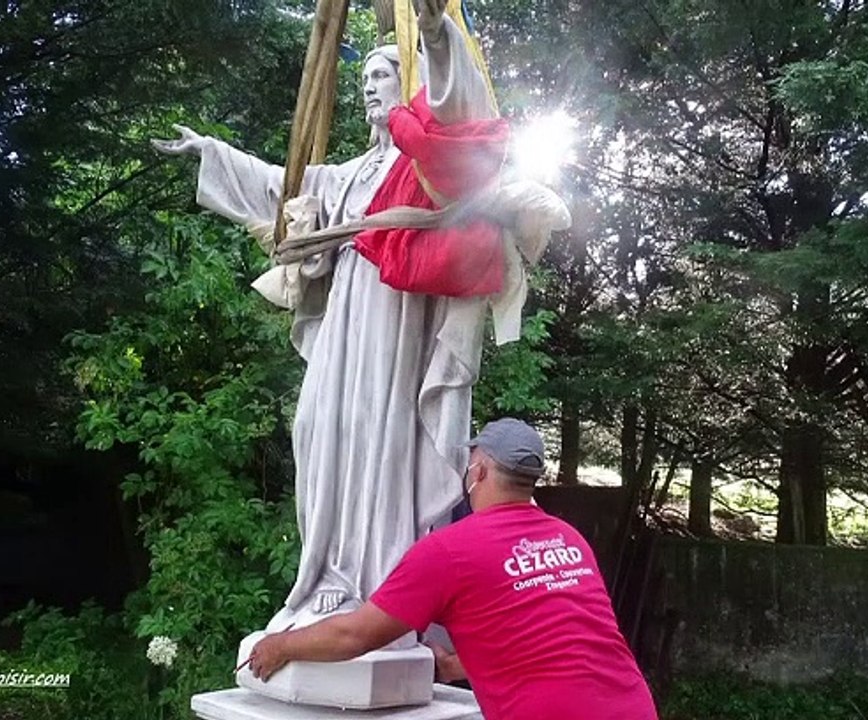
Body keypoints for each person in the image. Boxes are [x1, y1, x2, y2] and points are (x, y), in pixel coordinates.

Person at [151, 0, 504, 633]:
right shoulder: (344, 176)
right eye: (364, 79)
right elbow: (279, 186)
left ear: (410, 86)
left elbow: (462, 112)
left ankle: (377, 594)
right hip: (344, 321)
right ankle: (324, 581)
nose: (369, 87)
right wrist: (210, 149)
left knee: (380, 434)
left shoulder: (424, 167)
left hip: (395, 324)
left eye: (383, 77)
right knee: (317, 429)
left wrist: (433, 30)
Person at [248, 418, 660, 720]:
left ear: (477, 472)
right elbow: (553, 641)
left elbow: (354, 634)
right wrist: (450, 666)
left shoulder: (449, 550)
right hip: (632, 706)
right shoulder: (567, 539)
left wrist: (278, 646)